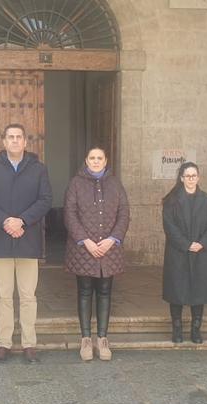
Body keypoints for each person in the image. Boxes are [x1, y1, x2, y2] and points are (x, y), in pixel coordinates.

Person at [0, 123, 52, 364]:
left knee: (28, 296)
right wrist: (5, 221)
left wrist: (22, 221)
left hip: (28, 239)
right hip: (1, 239)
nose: (15, 141)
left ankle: (29, 343)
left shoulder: (38, 169)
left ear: (26, 142)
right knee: (4, 296)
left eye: (19, 137)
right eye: (11, 137)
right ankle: (4, 343)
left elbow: (45, 199)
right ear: (3, 141)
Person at [64, 146, 129, 361]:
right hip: (83, 249)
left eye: (99, 158)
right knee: (84, 291)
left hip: (109, 249)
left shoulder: (115, 183)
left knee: (105, 292)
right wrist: (85, 241)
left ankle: (102, 339)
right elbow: (70, 214)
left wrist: (112, 239)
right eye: (92, 158)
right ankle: (85, 339)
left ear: (105, 160)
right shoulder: (76, 183)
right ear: (86, 160)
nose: (95, 161)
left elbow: (124, 212)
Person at [161, 162, 207, 345]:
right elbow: (169, 227)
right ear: (181, 178)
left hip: (201, 253)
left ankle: (196, 329)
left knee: (198, 292)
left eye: (194, 176)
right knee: (177, 291)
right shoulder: (171, 201)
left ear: (198, 178)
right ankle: (177, 329)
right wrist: (186, 244)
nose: (191, 179)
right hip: (178, 253)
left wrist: (201, 243)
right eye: (188, 176)